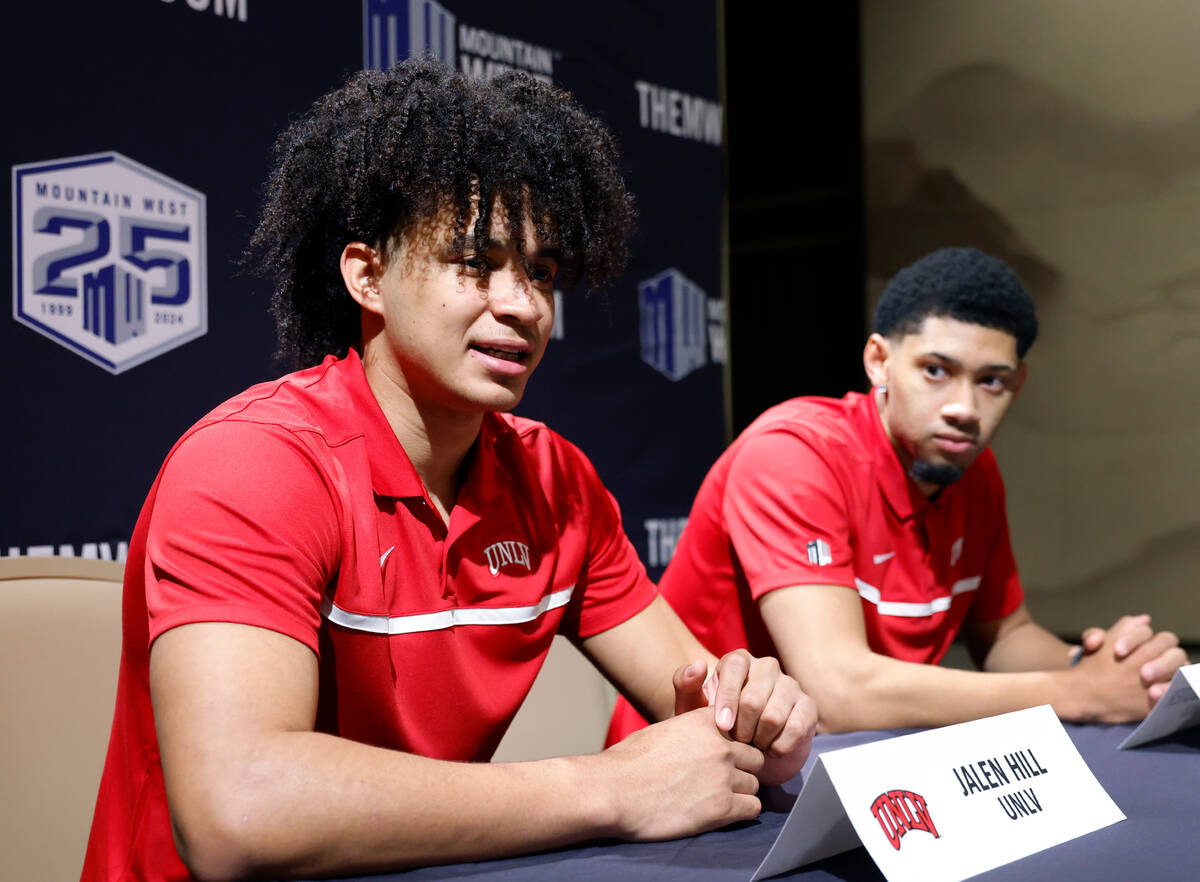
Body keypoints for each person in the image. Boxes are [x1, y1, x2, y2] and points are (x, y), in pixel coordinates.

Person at [82, 59, 817, 882]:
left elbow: (700, 695)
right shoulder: (253, 463)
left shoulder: (554, 480)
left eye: (540, 272)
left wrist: (752, 714)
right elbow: (240, 813)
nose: (524, 305)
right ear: (367, 276)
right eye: (476, 262)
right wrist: (606, 786)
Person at [609, 246, 1187, 742]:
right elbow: (836, 691)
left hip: (839, 768)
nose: (964, 409)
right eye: (937, 370)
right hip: (691, 777)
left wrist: (1105, 666)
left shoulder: (971, 470)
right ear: (878, 361)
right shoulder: (794, 452)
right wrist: (1076, 694)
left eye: (992, 381)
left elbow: (1004, 636)